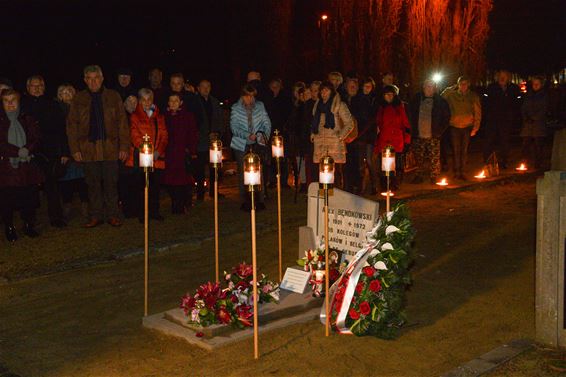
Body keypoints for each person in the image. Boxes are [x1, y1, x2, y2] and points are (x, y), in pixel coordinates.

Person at [66, 65, 130, 227]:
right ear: (85, 80)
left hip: (110, 148)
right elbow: (72, 126)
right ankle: (95, 215)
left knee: (111, 183)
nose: (93, 81)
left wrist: (124, 147)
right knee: (92, 184)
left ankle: (113, 215)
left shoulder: (113, 96)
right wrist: (75, 149)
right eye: (90, 78)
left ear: (102, 79)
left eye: (96, 78)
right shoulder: (78, 99)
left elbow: (122, 123)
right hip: (88, 149)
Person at [21, 75, 69, 228]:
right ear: (28, 88)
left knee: (52, 187)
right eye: (34, 86)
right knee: (30, 188)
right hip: (29, 152)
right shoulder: (22, 106)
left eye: (40, 85)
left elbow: (62, 129)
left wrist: (64, 152)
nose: (37, 88)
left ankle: (56, 217)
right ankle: (30, 221)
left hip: (50, 151)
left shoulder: (52, 104)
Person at [0, 89, 43, 241]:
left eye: (13, 100)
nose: (10, 103)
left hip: (26, 166)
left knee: (29, 198)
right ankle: (9, 227)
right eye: (6, 100)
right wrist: (18, 151)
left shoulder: (27, 118)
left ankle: (28, 225)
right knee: (7, 200)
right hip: (7, 168)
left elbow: (36, 138)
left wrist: (27, 149)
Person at [125, 88, 168, 221]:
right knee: (141, 186)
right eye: (144, 99)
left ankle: (154, 211)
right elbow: (134, 135)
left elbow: (164, 136)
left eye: (149, 99)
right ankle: (142, 213)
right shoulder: (134, 116)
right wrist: (146, 150)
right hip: (140, 158)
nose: (147, 102)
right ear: (139, 101)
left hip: (156, 158)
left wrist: (158, 151)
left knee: (154, 187)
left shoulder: (159, 117)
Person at [230, 84, 271, 211]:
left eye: (253, 96)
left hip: (257, 144)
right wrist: (248, 135)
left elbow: (266, 122)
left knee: (258, 172)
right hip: (241, 145)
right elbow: (234, 127)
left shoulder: (260, 106)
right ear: (243, 96)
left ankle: (259, 199)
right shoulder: (236, 108)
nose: (251, 99)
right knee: (244, 172)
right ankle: (245, 200)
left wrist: (263, 136)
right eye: (248, 96)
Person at [311, 80, 356, 188]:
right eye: (322, 91)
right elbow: (314, 123)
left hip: (335, 144)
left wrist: (340, 136)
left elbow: (349, 123)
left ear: (331, 91)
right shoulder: (317, 105)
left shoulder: (339, 105)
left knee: (336, 173)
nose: (323, 93)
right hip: (320, 144)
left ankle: (337, 197)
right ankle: (324, 197)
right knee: (322, 173)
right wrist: (313, 134)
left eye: (326, 90)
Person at [56, 84, 89, 221]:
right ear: (59, 96)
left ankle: (85, 205)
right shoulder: (57, 111)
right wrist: (63, 152)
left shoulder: (80, 108)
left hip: (82, 148)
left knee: (83, 178)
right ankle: (67, 205)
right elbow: (59, 133)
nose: (67, 94)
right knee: (67, 180)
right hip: (66, 149)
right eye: (63, 92)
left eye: (69, 91)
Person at [408, 79, 451, 184]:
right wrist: (412, 129)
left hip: (434, 135)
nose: (429, 88)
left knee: (434, 157)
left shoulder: (440, 101)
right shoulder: (416, 99)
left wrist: (439, 131)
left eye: (431, 86)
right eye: (427, 86)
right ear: (423, 87)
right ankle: (419, 175)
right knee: (419, 157)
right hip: (419, 134)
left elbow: (446, 117)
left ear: (435, 88)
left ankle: (434, 176)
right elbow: (410, 113)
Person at [163, 93, 198, 214]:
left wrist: (191, 150)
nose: (173, 103)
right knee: (170, 181)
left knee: (183, 181)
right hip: (169, 154)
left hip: (182, 153)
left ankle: (182, 204)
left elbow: (192, 134)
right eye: (171, 101)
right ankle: (175, 204)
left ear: (181, 103)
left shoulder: (187, 116)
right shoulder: (164, 116)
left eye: (176, 101)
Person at [441, 76, 481, 180]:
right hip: (454, 126)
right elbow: (442, 97)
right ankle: (456, 171)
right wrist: (450, 88)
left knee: (464, 151)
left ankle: (462, 171)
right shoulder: (452, 95)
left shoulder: (472, 96)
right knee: (456, 150)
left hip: (467, 127)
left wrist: (476, 127)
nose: (463, 86)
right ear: (458, 85)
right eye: (461, 84)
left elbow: (477, 112)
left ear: (468, 85)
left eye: (465, 84)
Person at [374, 85, 411, 191]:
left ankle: (395, 183)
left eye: (391, 94)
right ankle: (385, 183)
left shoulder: (400, 107)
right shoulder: (381, 108)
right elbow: (378, 124)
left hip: (397, 140)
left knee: (396, 164)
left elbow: (406, 124)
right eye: (387, 94)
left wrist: (407, 140)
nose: (389, 97)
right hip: (384, 139)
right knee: (385, 164)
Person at [483, 70, 521, 169]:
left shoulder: (513, 88)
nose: (502, 78)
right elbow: (486, 102)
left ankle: (504, 161)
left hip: (506, 119)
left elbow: (516, 103)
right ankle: (488, 161)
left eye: (505, 76)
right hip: (493, 118)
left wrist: (513, 115)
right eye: (501, 76)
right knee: (489, 140)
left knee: (504, 141)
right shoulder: (492, 88)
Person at [195, 79, 224, 200]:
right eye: (203, 86)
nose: (206, 89)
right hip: (201, 141)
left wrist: (216, 133)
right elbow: (195, 122)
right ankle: (200, 193)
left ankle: (214, 191)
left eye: (208, 86)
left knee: (215, 168)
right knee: (200, 169)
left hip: (214, 141)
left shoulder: (215, 102)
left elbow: (220, 119)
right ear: (198, 88)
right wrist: (206, 134)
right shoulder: (195, 102)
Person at [264, 78, 291, 188]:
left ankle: (283, 180)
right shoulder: (267, 100)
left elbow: (287, 115)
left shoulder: (285, 100)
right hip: (269, 131)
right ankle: (272, 180)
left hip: (282, 131)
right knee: (271, 157)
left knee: (282, 157)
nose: (275, 89)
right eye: (272, 87)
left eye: (277, 87)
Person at [288, 86, 313, 191]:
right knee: (300, 159)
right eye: (304, 94)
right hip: (299, 137)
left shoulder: (311, 106)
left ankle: (308, 182)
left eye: (308, 94)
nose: (306, 96)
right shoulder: (298, 107)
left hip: (307, 137)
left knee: (307, 161)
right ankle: (302, 182)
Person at [520, 76, 548, 169]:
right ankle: (524, 162)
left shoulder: (544, 96)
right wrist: (526, 117)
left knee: (538, 145)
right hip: (528, 124)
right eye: (534, 84)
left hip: (538, 125)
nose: (535, 86)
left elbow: (543, 109)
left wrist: (534, 118)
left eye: (537, 84)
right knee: (525, 144)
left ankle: (538, 163)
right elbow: (524, 107)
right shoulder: (529, 95)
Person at [342, 78, 364, 193]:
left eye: (354, 86)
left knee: (358, 163)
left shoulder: (360, 100)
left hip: (359, 136)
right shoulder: (343, 100)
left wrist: (357, 134)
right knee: (347, 163)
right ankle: (348, 185)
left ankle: (358, 185)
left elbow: (363, 117)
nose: (352, 88)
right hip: (346, 137)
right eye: (350, 86)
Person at [359, 77, 379, 194]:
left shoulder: (374, 99)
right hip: (360, 135)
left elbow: (374, 117)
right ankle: (362, 186)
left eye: (369, 87)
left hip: (370, 135)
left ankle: (374, 185)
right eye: (365, 86)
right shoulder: (359, 99)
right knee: (361, 163)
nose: (367, 89)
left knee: (370, 161)